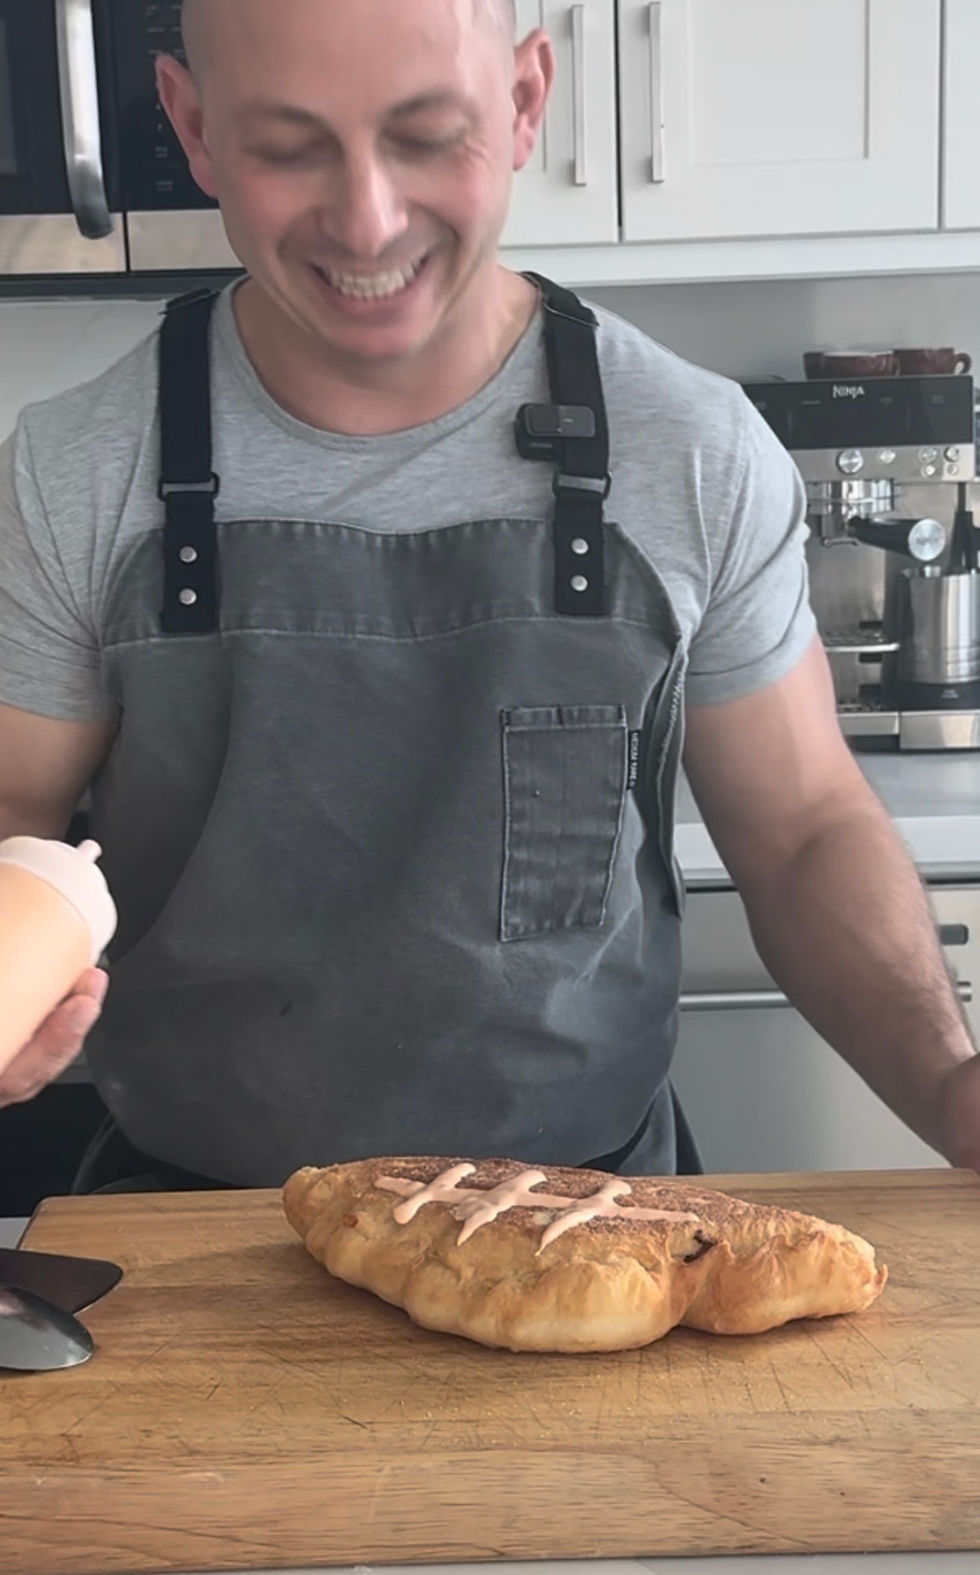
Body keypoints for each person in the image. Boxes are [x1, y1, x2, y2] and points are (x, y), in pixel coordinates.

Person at [0, 0, 976, 1192]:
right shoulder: (75, 468)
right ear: (195, 130)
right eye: (288, 144)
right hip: (197, 1234)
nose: (366, 218)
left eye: (424, 135)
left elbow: (802, 828)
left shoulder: (690, 449)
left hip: (587, 1224)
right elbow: (16, 821)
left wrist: (947, 1083)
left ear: (523, 103)